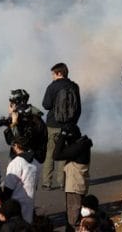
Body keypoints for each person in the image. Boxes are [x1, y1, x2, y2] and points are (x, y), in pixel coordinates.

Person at [41, 62, 81, 190]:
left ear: (59, 73)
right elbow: (78, 108)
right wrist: (72, 123)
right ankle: (62, 181)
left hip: (53, 124)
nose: (52, 76)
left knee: (50, 153)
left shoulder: (52, 87)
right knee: (63, 153)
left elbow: (46, 105)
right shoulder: (74, 86)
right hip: (68, 125)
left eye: (53, 73)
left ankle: (47, 182)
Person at [53, 124, 92, 231]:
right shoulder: (81, 143)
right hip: (77, 184)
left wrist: (62, 137)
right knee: (73, 214)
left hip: (75, 186)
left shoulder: (79, 147)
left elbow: (56, 155)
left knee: (73, 217)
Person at [2, 89, 48, 164]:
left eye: (11, 104)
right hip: (36, 160)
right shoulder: (37, 117)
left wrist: (14, 123)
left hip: (23, 159)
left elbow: (17, 141)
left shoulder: (23, 120)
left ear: (15, 104)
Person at [2, 137, 39, 223]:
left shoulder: (16, 162)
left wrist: (3, 203)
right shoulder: (35, 162)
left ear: (16, 146)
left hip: (16, 205)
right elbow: (35, 184)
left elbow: (8, 188)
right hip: (29, 202)